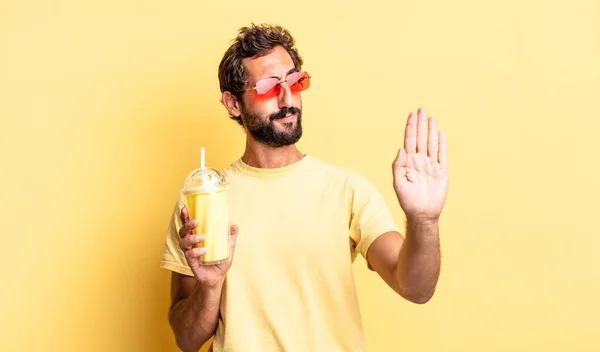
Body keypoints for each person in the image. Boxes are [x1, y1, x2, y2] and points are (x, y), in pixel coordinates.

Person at [160, 23, 448, 352]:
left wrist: (424, 221)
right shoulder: (204, 200)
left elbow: (416, 288)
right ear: (233, 104)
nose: (288, 99)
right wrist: (209, 287)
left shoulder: (347, 189)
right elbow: (186, 339)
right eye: (269, 87)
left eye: (295, 82)